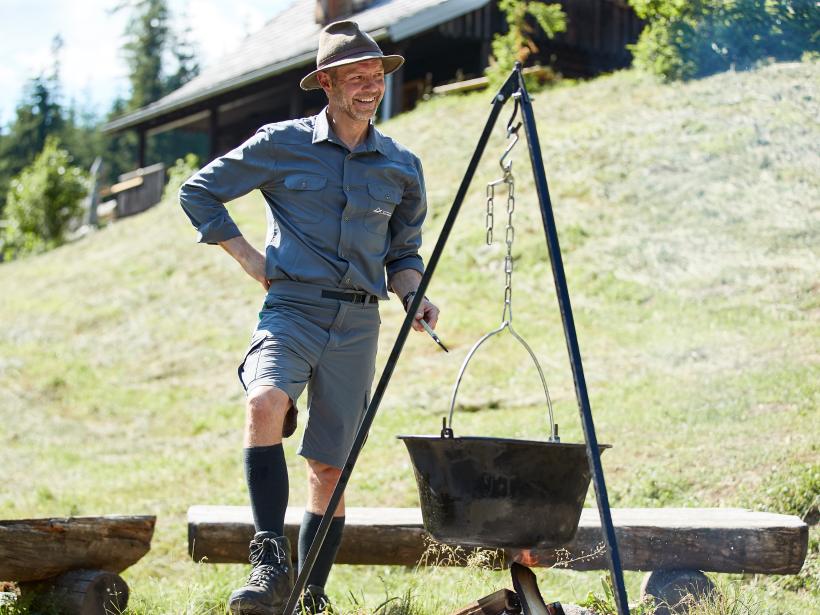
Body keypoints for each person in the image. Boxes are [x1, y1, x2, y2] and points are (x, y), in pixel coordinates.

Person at [178, 20, 439, 615]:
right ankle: (268, 563)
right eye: (356, 78)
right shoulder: (281, 143)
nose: (370, 88)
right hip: (291, 308)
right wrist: (247, 257)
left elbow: (403, 252)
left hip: (358, 325)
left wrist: (412, 293)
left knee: (330, 467)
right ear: (326, 83)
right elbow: (198, 191)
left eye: (376, 77)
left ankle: (310, 596)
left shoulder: (401, 165)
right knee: (264, 403)